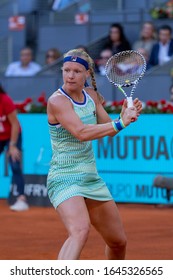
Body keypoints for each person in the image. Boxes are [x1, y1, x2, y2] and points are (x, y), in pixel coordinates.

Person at [46, 48, 142, 260]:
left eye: (77, 71)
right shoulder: (57, 101)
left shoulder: (91, 96)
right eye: (66, 70)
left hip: (91, 178)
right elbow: (81, 132)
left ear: (87, 74)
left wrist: (125, 116)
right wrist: (119, 123)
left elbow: (110, 129)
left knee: (118, 242)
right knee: (79, 231)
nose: (70, 75)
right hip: (64, 177)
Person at [0, 84, 29, 211]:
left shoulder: (5, 100)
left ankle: (21, 199)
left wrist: (12, 145)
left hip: (13, 134)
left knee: (15, 164)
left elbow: (15, 124)